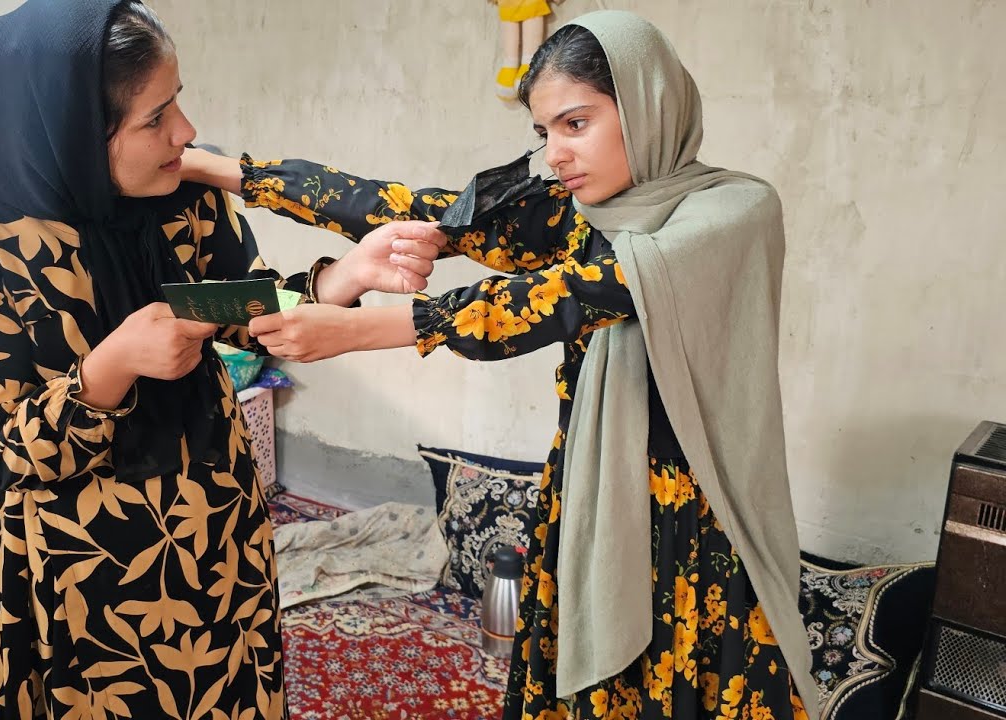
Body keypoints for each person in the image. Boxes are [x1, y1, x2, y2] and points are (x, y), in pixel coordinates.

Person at [182, 10, 817, 720]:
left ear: (648, 104)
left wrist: (358, 331)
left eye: (576, 123)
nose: (557, 154)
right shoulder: (579, 212)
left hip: (694, 517)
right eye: (545, 133)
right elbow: (408, 209)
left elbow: (564, 299)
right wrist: (215, 169)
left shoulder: (731, 212)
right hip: (589, 489)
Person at [0, 1, 444, 718]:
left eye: (179, 103)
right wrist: (112, 366)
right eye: (154, 118)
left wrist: (342, 279)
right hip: (75, 561)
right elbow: (6, 447)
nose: (186, 133)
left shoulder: (179, 196)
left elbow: (240, 315)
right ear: (75, 133)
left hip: (211, 518)